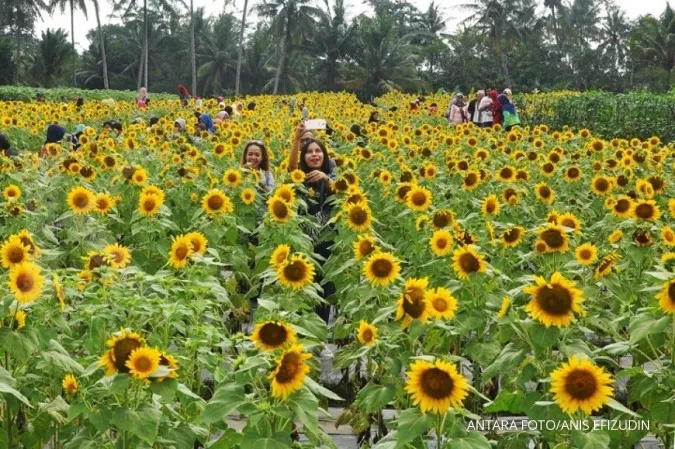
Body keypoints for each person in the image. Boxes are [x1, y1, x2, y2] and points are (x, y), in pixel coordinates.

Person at [289, 123, 336, 324]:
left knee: (324, 288)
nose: (314, 155)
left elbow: (346, 195)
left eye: (318, 151)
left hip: (327, 242)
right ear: (304, 157)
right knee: (304, 286)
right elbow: (291, 169)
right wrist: (296, 140)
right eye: (309, 152)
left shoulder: (333, 176)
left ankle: (321, 332)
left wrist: (327, 180)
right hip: (304, 241)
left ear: (325, 156)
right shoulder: (300, 177)